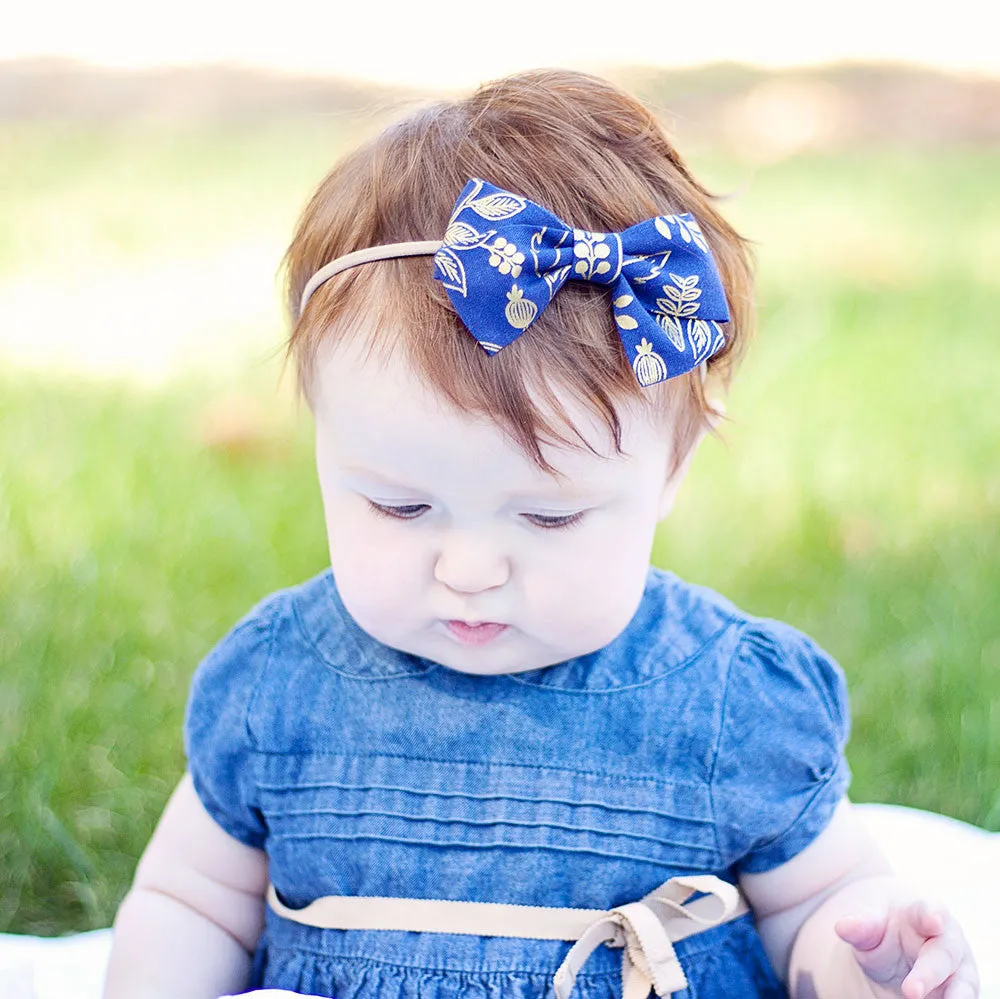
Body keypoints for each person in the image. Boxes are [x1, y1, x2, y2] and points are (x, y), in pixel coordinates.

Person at [102, 69, 979, 999]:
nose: (469, 568)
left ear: (671, 473)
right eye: (399, 507)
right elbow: (189, 902)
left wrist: (870, 961)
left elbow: (819, 908)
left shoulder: (728, 703)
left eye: (550, 514)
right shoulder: (277, 685)